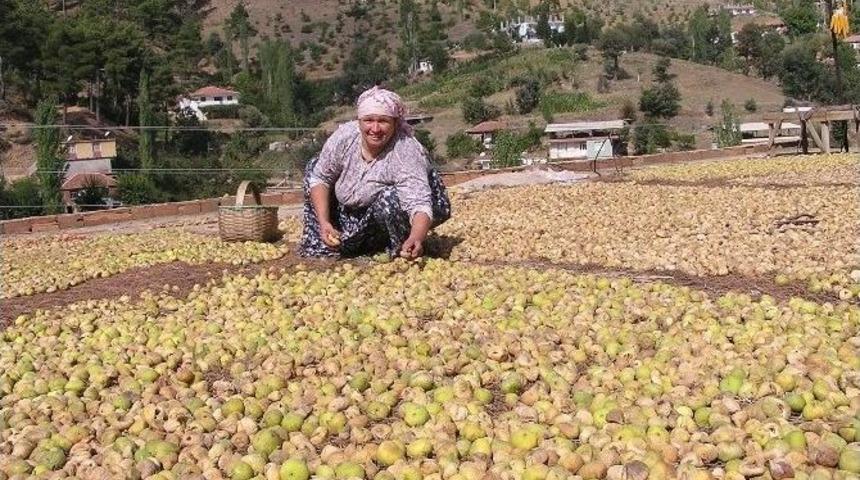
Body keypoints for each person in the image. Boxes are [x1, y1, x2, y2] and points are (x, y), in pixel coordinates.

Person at [299, 86, 451, 259]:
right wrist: (324, 222)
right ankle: (329, 235)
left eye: (383, 121)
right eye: (369, 120)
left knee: (389, 198)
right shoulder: (344, 138)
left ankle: (402, 245)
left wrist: (417, 236)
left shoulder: (405, 150)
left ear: (395, 123)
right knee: (314, 166)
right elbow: (321, 178)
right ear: (359, 121)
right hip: (353, 211)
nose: (375, 128)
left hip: (399, 209)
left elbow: (419, 203)